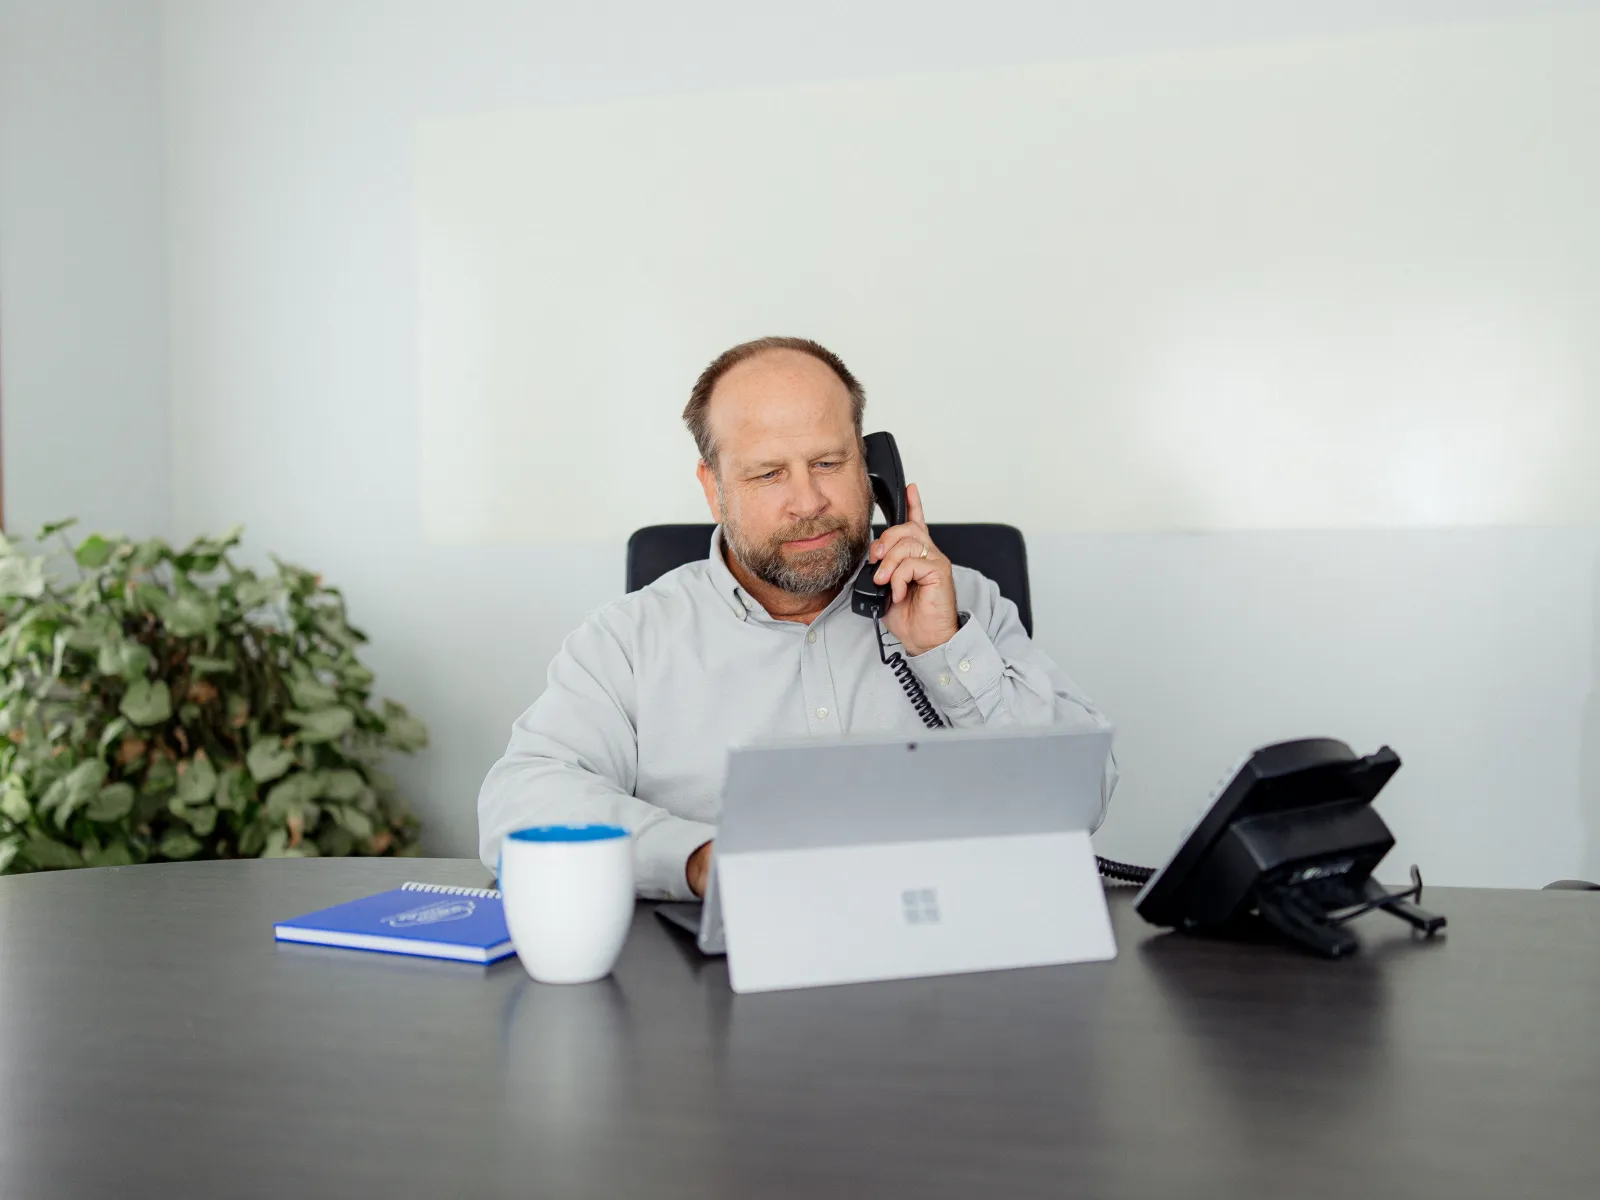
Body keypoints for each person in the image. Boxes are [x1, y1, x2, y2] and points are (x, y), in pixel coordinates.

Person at [478, 336, 1116, 899]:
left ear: (872, 469)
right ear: (713, 487)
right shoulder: (627, 641)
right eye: (767, 474)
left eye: (829, 463)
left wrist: (944, 649)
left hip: (947, 959)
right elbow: (522, 803)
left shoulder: (964, 604)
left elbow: (1084, 798)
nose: (807, 501)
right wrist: (700, 861)